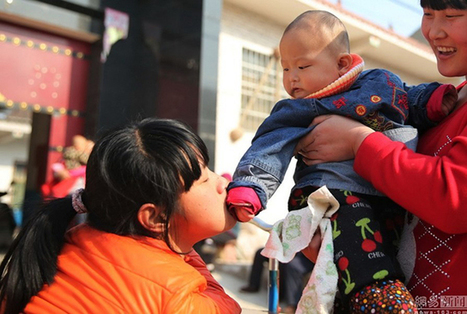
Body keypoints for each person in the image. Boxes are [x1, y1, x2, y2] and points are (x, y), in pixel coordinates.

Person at [226, 10, 457, 312]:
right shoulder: (296, 110)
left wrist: (434, 101)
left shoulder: (380, 82)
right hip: (332, 194)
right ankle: (381, 299)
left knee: (386, 245)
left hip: (389, 197)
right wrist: (250, 186)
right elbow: (267, 148)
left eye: (302, 65)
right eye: (285, 69)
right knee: (359, 246)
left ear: (342, 64)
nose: (291, 77)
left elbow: (408, 98)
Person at [296, 0, 467, 310]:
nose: (434, 30)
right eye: (428, 14)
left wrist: (358, 141)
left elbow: (454, 196)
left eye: (452, 16)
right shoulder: (452, 99)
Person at [0, 118, 241, 314]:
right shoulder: (181, 299)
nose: (222, 181)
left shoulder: (70, 241)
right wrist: (183, 246)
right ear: (155, 218)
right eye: (205, 179)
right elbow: (229, 307)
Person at [239, 248, 314, 314]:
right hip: (288, 248)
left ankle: (291, 304)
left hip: (306, 253)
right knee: (261, 253)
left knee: (289, 265)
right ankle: (253, 286)